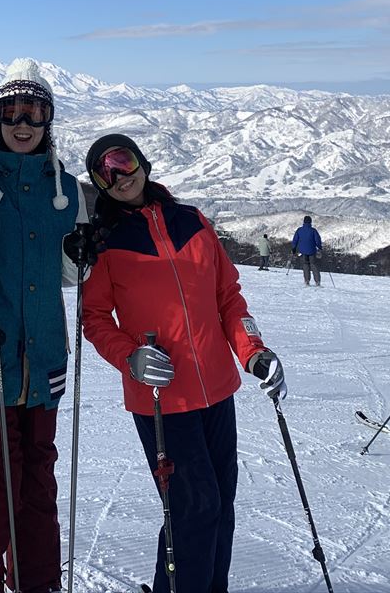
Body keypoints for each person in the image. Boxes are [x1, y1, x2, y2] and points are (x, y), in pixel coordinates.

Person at [79, 133, 286, 593]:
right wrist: (130, 357)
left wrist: (253, 351)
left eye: (123, 162)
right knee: (195, 508)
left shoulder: (192, 221)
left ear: (142, 162)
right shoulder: (106, 242)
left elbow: (228, 296)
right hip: (160, 398)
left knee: (221, 505)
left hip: (217, 388)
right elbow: (94, 318)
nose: (119, 177)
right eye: (104, 174)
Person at [0, 59, 88, 593]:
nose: (22, 123)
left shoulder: (67, 190)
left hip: (45, 356)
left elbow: (69, 277)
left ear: (48, 119)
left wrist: (81, 254)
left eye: (34, 111)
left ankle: (38, 581)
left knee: (38, 479)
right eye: (12, 111)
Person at [292, 215, 322, 286]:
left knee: (305, 265)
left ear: (304, 221)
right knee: (314, 265)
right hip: (312, 251)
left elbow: (295, 240)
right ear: (310, 222)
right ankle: (317, 281)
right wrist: (319, 247)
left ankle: (307, 281)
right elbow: (317, 240)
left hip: (302, 251)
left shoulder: (299, 230)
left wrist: (294, 248)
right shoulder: (313, 230)